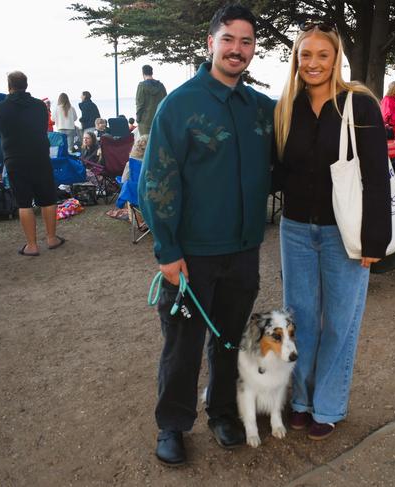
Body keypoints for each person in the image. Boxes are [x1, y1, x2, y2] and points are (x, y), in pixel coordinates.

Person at [137, 4, 274, 467]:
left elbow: (308, 119)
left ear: (254, 49)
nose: (237, 50)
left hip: (243, 251)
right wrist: (167, 249)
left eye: (247, 41)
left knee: (231, 339)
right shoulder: (180, 104)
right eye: (229, 39)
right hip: (191, 255)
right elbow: (156, 180)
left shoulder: (258, 106)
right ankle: (172, 425)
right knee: (183, 344)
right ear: (210, 43)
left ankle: (221, 411)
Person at [273, 22, 391, 441]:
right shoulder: (287, 105)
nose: (314, 63)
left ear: (337, 58)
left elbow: (377, 175)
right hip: (296, 231)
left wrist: (375, 238)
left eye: (323, 55)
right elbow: (278, 172)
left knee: (341, 322)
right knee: (300, 322)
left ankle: (328, 405)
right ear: (296, 59)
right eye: (306, 55)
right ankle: (301, 402)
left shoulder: (359, 105)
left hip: (347, 232)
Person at [0, 71, 65, 257]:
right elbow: (43, 127)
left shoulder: (0, 108)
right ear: (26, 85)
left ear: (9, 86)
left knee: (24, 203)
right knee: (48, 199)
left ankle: (31, 245)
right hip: (39, 155)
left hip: (15, 158)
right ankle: (51, 238)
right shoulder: (39, 105)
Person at [135, 64, 167, 137]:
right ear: (152, 73)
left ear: (143, 74)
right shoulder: (161, 86)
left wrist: (138, 119)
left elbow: (139, 104)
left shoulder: (142, 86)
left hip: (145, 122)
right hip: (158, 120)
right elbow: (165, 103)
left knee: (145, 144)